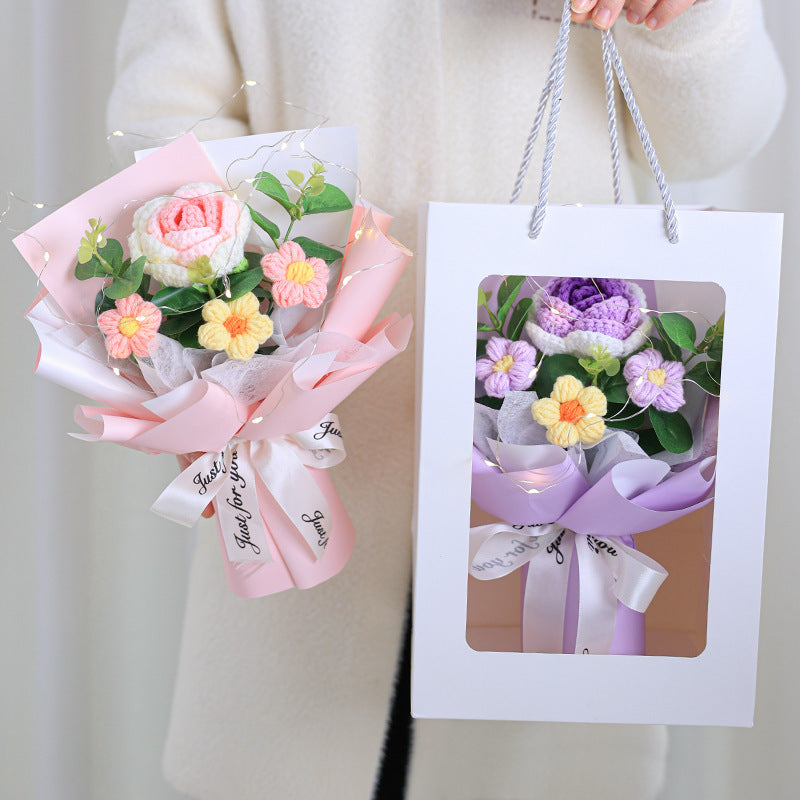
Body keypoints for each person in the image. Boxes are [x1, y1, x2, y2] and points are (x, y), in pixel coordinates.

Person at [107, 1, 783, 798]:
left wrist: (686, 13)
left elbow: (720, 135)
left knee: (536, 760)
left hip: (568, 425)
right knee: (301, 751)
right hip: (310, 433)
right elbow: (162, 125)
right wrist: (209, 355)